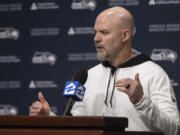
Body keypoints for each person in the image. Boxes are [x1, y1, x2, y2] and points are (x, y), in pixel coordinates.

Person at [29, 6, 180, 135]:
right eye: (95, 32)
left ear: (125, 35)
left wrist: (141, 101)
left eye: (104, 32)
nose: (96, 38)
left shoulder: (153, 73)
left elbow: (173, 128)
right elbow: (77, 126)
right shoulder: (87, 76)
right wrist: (49, 117)